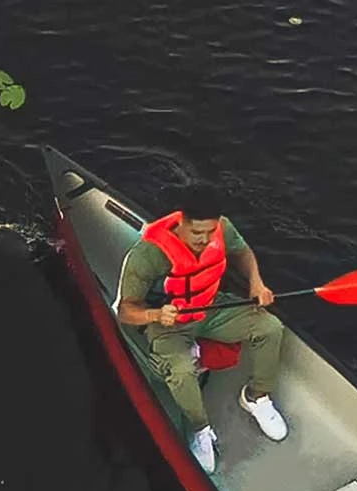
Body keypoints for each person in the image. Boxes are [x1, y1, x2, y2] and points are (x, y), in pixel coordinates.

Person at [116, 183, 288, 473]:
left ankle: (255, 396)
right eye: (197, 233)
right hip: (168, 323)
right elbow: (125, 311)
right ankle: (199, 428)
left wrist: (256, 283)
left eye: (210, 232)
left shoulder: (222, 229)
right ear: (181, 222)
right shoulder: (148, 255)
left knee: (270, 328)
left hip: (209, 309)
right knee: (182, 371)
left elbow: (242, 252)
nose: (205, 239)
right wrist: (155, 314)